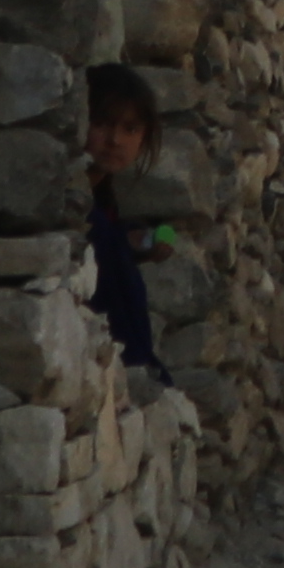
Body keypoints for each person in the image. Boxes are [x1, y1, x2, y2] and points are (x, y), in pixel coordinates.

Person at [79, 66, 175, 385]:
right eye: (102, 123)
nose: (114, 140)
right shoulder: (73, 204)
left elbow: (157, 232)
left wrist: (142, 239)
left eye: (130, 129)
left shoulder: (104, 204)